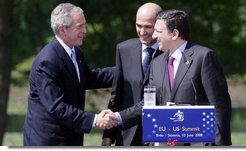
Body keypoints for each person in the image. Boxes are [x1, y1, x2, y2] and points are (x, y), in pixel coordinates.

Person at [115, 9, 232, 146]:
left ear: (174, 34)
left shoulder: (204, 57)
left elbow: (220, 106)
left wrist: (218, 145)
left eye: (158, 31)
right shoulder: (156, 64)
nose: (153, 35)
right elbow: (147, 104)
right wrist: (117, 117)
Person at [23, 3, 118, 146]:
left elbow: (89, 78)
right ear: (62, 30)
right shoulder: (47, 61)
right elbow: (57, 107)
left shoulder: (75, 52)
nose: (85, 30)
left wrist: (124, 70)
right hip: (49, 142)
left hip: (70, 138)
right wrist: (95, 119)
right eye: (80, 26)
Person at [102, 2, 162, 146]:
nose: (142, 31)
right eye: (138, 25)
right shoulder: (124, 50)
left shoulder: (170, 53)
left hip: (159, 134)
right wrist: (108, 135)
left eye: (148, 26)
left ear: (159, 25)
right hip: (127, 134)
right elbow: (116, 96)